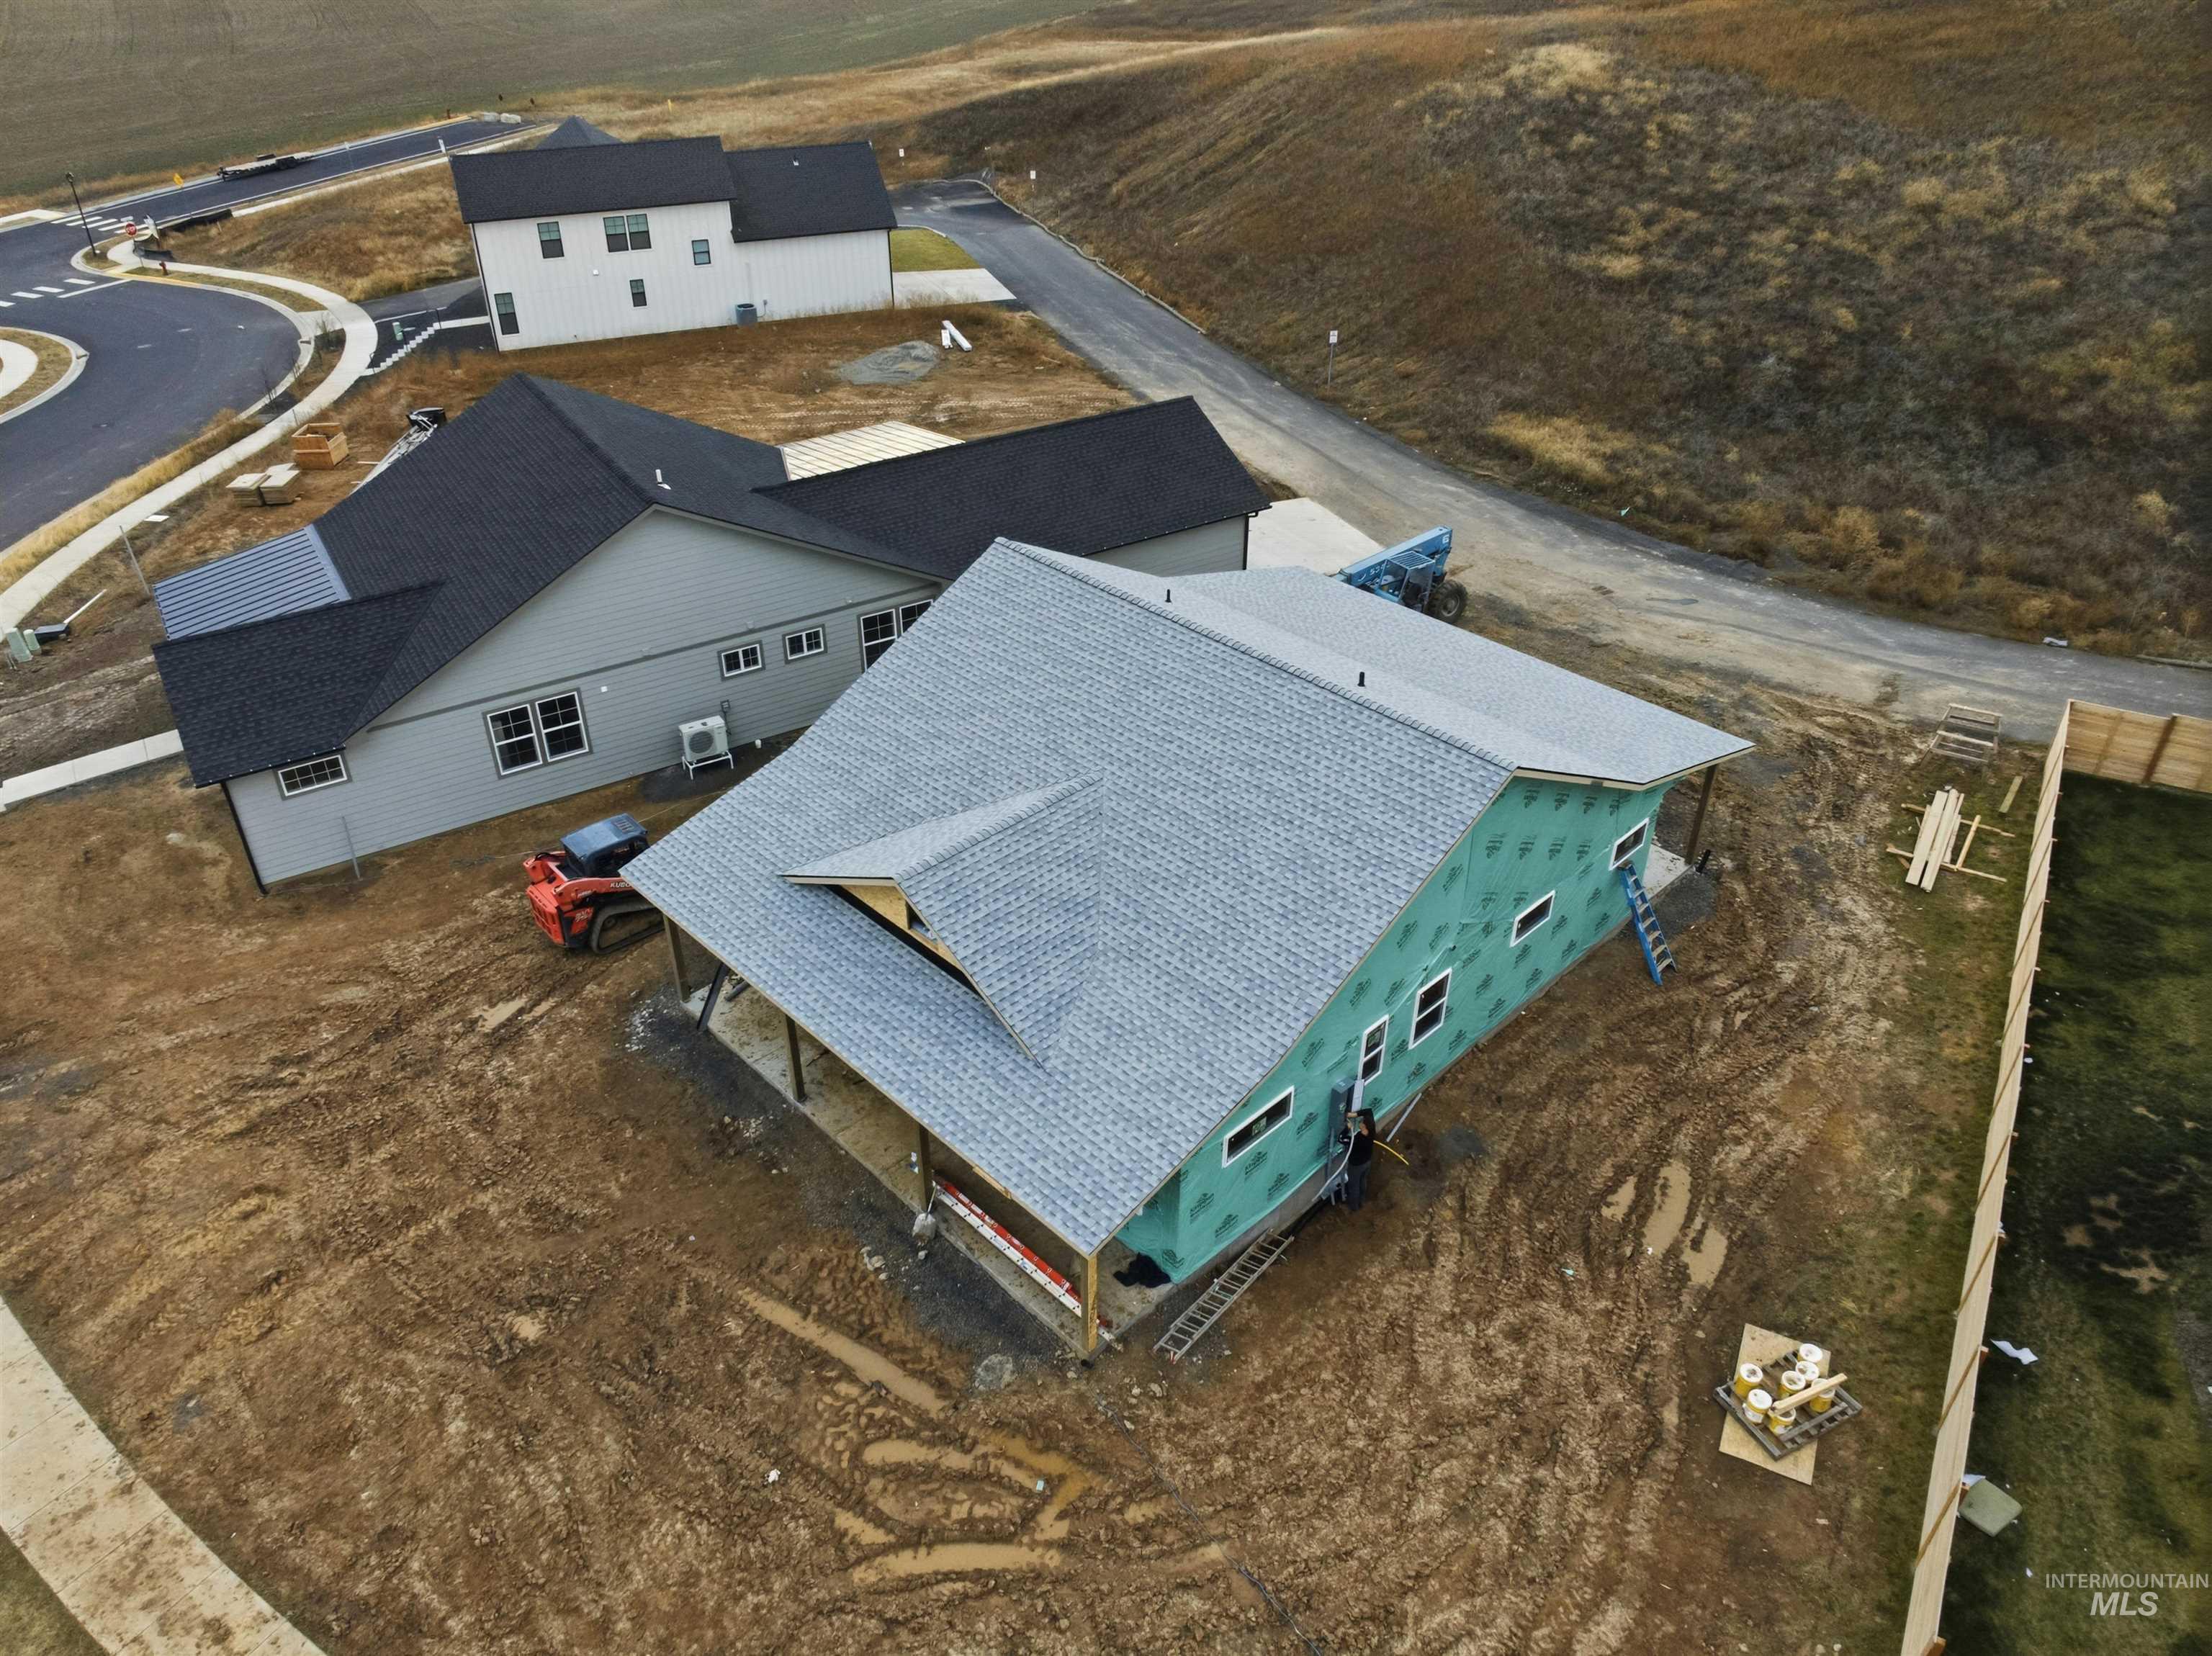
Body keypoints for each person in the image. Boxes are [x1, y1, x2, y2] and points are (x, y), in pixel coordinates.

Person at [1344, 1109, 1377, 1211]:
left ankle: (1354, 1207)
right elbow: (1369, 1111)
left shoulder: (1358, 1140)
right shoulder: (1372, 1129)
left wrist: (1347, 1129)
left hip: (1356, 1166)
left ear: (1364, 1126)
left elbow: (1342, 1139)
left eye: (1362, 1122)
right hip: (1367, 1162)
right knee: (1363, 1180)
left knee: (1354, 1187)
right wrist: (1352, 1115)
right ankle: (1362, 1201)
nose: (1360, 1122)